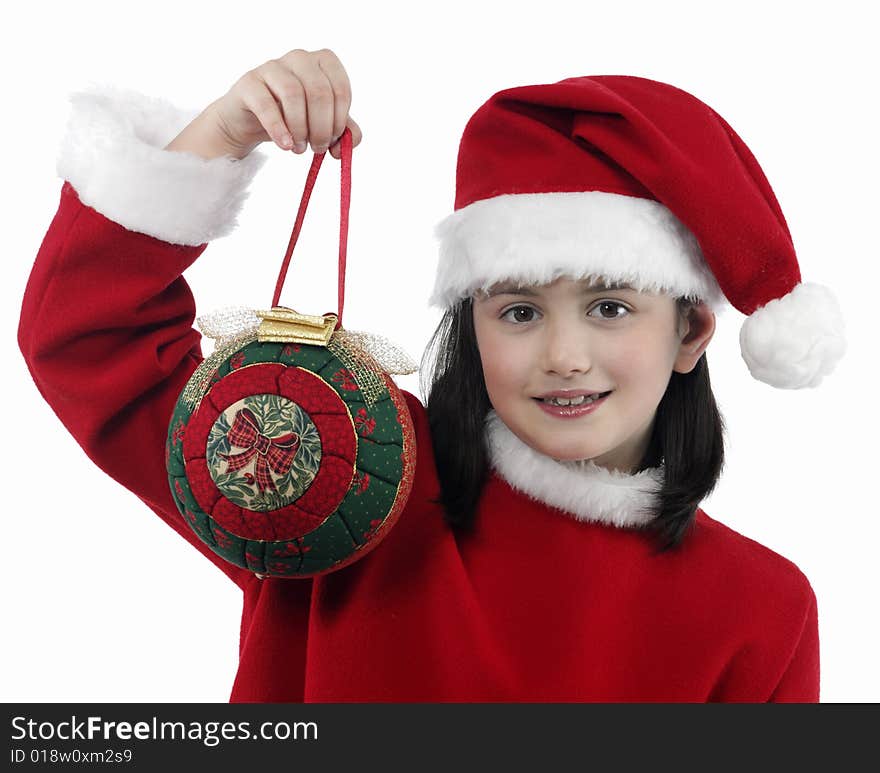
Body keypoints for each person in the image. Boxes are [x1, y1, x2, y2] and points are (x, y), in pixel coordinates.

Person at [18, 48, 846, 702]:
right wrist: (222, 134)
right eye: (518, 311)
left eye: (610, 307)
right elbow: (87, 335)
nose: (564, 354)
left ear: (692, 330)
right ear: (471, 324)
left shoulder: (761, 612)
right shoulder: (347, 473)